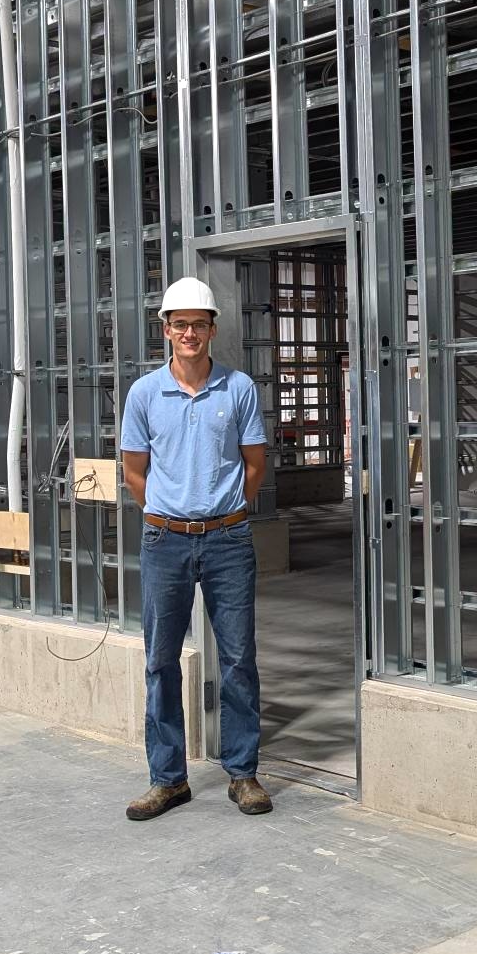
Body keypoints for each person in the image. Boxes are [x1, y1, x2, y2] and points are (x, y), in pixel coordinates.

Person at [119, 276, 272, 820]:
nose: (189, 332)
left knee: (237, 658)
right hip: (165, 540)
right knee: (160, 660)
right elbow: (134, 472)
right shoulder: (143, 394)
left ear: (212, 329)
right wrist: (171, 511)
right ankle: (168, 779)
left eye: (199, 324)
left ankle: (242, 773)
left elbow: (254, 465)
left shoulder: (239, 390)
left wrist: (224, 511)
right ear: (166, 330)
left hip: (229, 539)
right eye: (179, 323)